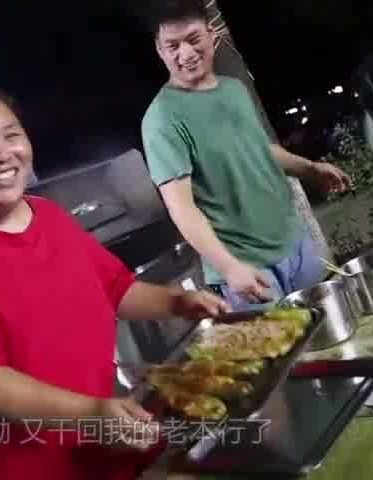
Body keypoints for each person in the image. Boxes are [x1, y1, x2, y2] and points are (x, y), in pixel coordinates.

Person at [0, 80, 230, 480]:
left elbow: (116, 290)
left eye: (11, 135)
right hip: (30, 467)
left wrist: (178, 302)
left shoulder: (49, 216)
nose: (2, 153)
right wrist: (90, 413)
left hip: (107, 444)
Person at [140, 0, 352, 309]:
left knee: (337, 328)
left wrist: (311, 168)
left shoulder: (234, 90)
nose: (185, 54)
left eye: (193, 39)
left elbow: (260, 150)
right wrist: (229, 267)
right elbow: (181, 207)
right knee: (285, 341)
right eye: (173, 46)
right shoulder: (162, 119)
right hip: (246, 267)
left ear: (211, 34)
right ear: (159, 49)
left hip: (295, 243)